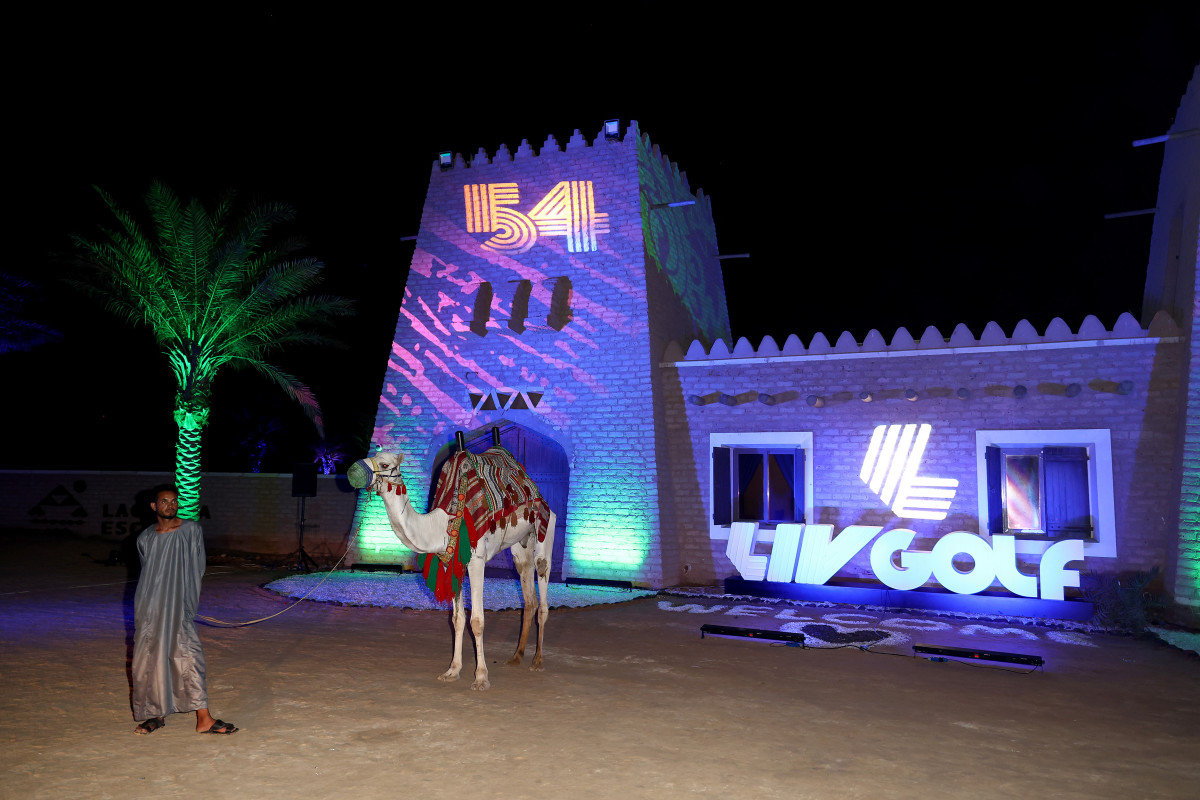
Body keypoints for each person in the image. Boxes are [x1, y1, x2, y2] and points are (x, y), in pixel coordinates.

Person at [131, 486, 238, 735]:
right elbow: (148, 574)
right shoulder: (145, 538)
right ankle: (155, 714)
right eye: (164, 501)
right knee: (150, 658)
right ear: (154, 507)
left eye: (174, 501)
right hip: (149, 608)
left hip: (179, 606)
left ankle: (204, 718)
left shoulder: (191, 530)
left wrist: (188, 604)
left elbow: (196, 568)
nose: (170, 505)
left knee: (189, 656)